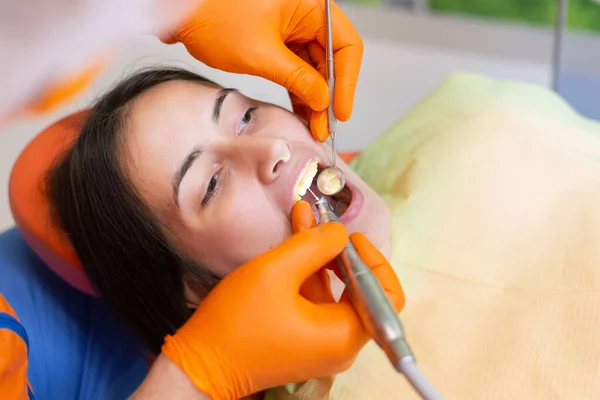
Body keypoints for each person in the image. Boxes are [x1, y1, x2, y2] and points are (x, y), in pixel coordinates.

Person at [0, 1, 405, 399]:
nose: (274, 150)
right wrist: (197, 377)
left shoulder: (450, 138)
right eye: (210, 185)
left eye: (245, 117)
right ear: (192, 288)